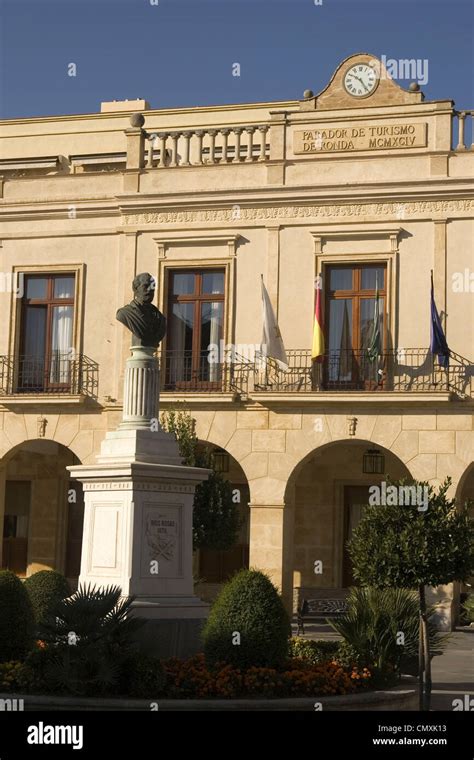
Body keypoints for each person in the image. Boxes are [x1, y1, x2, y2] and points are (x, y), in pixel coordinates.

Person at [116, 272, 166, 348]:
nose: (149, 290)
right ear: (136, 289)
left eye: (152, 287)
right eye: (145, 286)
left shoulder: (160, 319)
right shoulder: (125, 313)